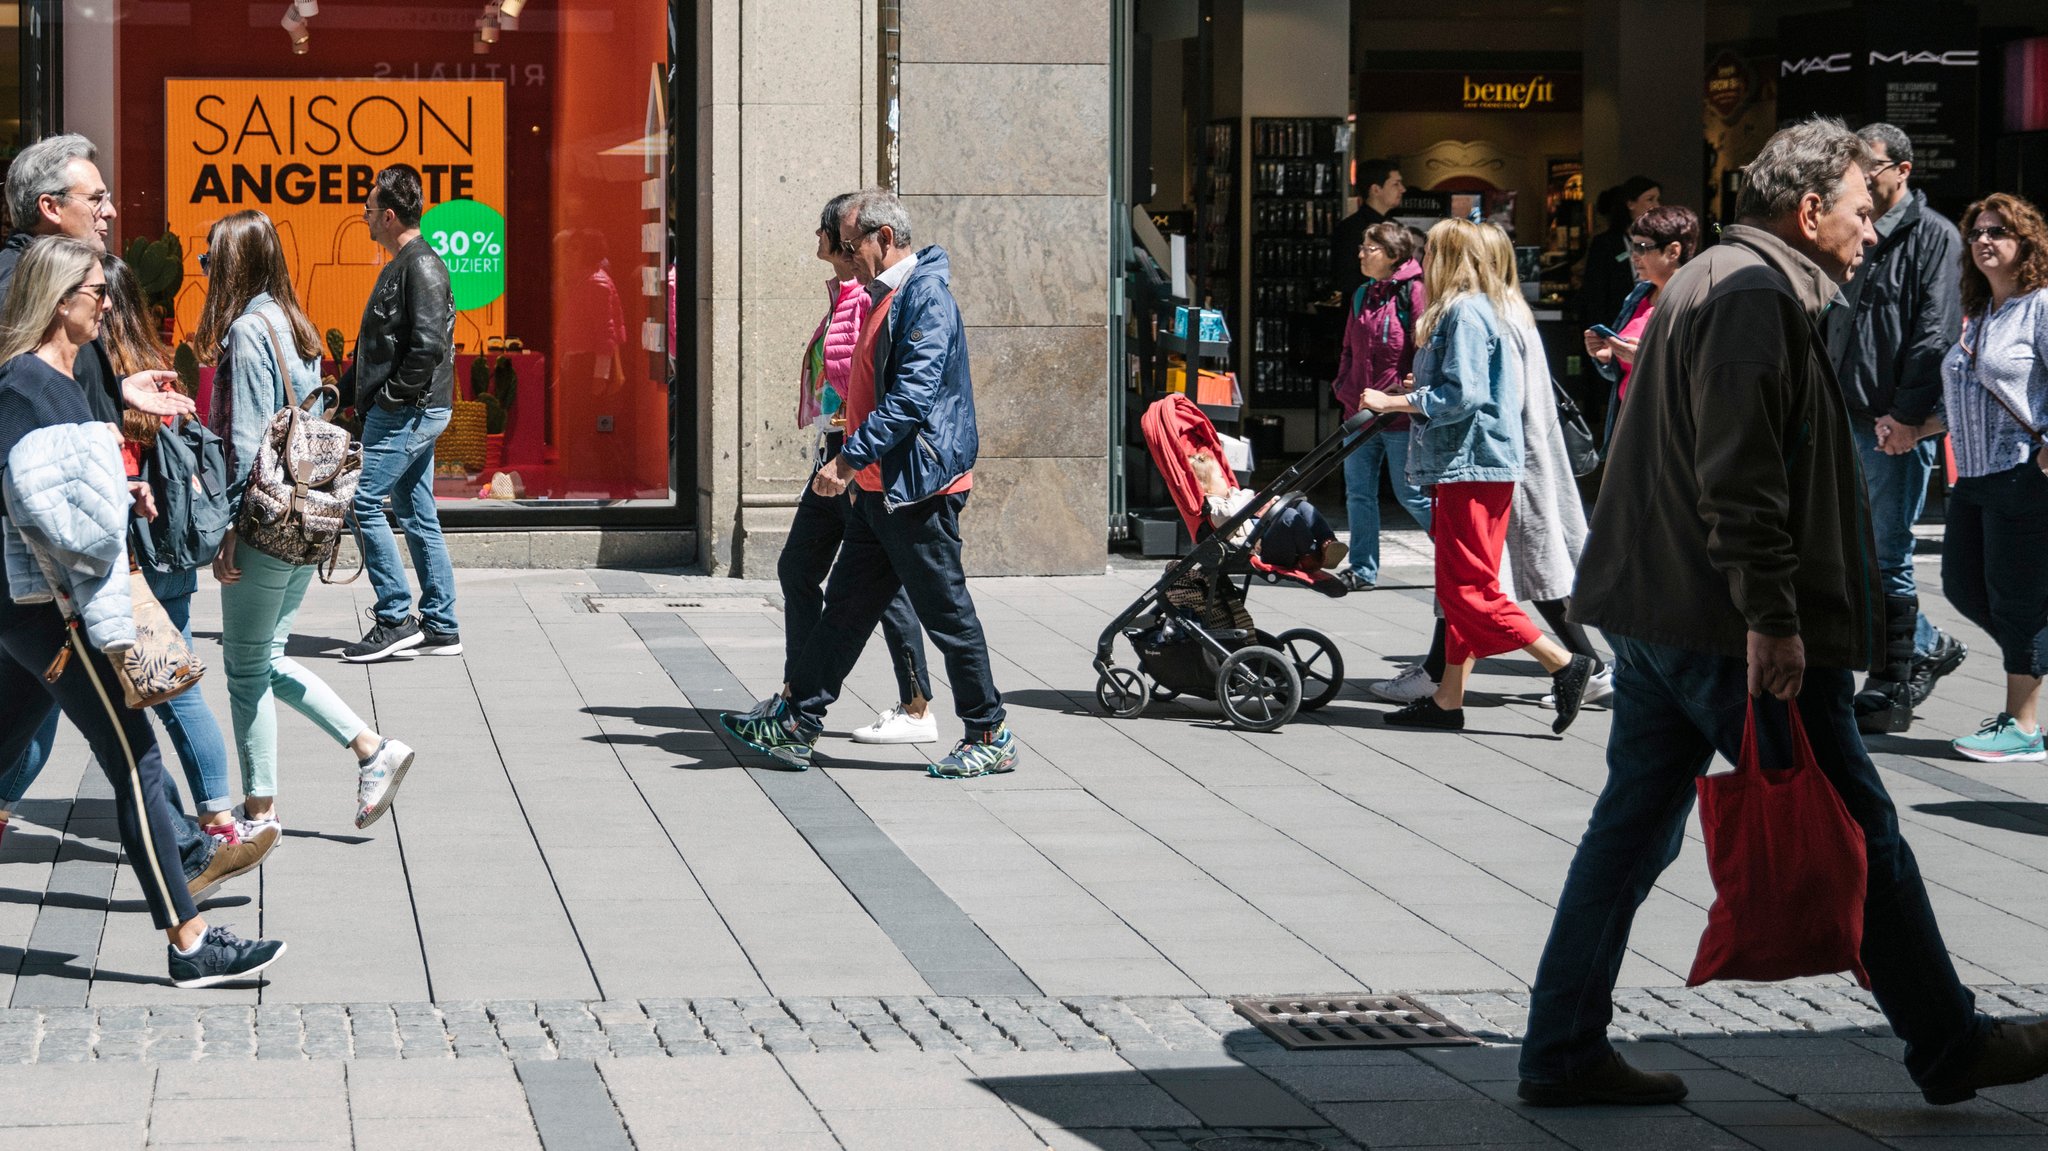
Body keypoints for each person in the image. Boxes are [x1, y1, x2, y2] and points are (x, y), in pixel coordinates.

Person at [1519, 117, 2048, 1109]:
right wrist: (1771, 615)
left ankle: (1558, 1046)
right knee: (1855, 818)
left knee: (1630, 827)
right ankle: (1946, 1041)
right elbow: (1738, 474)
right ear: (1806, 211)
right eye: (1857, 210)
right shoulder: (1754, 293)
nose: (1871, 230)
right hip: (1719, 620)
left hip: (1663, 603)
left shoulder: (1722, 277)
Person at [0, 235, 284, 986]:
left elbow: (63, 481)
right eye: (97, 292)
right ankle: (190, 943)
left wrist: (119, 489)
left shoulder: (65, 375)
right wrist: (104, 510)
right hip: (51, 607)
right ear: (61, 301)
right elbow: (31, 500)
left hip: (52, 598)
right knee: (135, 756)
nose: (108, 303)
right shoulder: (22, 385)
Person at [0, 133, 251, 891]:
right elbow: (26, 415)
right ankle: (186, 882)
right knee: (124, 727)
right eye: (95, 197)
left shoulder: (60, 278)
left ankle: (186, 857)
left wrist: (122, 406)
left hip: (45, 560)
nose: (111, 210)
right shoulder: (19, 285)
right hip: (38, 561)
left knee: (29, 712)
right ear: (51, 208)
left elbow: (63, 401)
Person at [718, 189, 1020, 778]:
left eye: (853, 246)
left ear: (885, 238)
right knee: (845, 614)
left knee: (948, 616)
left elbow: (912, 398)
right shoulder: (888, 294)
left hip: (917, 489)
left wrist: (849, 460)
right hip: (881, 491)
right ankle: (797, 724)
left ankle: (989, 730)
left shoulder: (925, 297)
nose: (847, 257)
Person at [199, 211, 417, 833]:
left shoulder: (246, 331)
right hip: (308, 513)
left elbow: (246, 439)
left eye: (211, 260)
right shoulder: (295, 326)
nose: (205, 271)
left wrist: (230, 530)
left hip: (266, 517)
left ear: (235, 262)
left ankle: (260, 810)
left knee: (245, 668)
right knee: (264, 659)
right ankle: (372, 751)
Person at [1353, 218, 1596, 734]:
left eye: (1434, 252)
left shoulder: (1464, 312)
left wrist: (1395, 401)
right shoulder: (1492, 310)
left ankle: (1563, 662)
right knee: (1465, 584)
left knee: (1467, 590)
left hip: (1469, 464)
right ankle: (1447, 700)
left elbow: (1463, 396)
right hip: (1479, 462)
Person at [753, 192, 940, 745]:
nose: (816, 241)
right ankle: (797, 694)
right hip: (836, 455)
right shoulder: (846, 294)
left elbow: (874, 386)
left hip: (856, 459)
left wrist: (855, 459)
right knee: (800, 569)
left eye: (823, 232)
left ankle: (916, 706)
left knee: (882, 586)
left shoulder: (866, 296)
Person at [1827, 123, 1969, 734]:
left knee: (1886, 556)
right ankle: (1925, 644)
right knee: (1844, 552)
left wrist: (1909, 418)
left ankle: (1889, 682)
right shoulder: (1853, 229)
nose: (1861, 178)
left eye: (1871, 167)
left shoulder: (1934, 237)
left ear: (1903, 171)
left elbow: (1936, 332)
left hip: (1891, 425)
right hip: (1841, 412)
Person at [1919, 193, 2048, 763]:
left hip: (2021, 473)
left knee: (2015, 600)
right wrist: (1914, 428)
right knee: (1963, 588)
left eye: (1999, 232)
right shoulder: (1980, 316)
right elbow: (1966, 394)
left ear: (2027, 244)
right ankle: (2033, 658)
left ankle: (2022, 726)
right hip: (1970, 474)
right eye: (1976, 232)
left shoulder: (2040, 307)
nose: (1984, 241)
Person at [1475, 223, 1608, 710]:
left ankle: (1580, 663)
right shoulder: (1511, 309)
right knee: (1505, 569)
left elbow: (1489, 395)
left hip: (1510, 458)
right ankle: (1438, 677)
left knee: (1512, 568)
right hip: (1524, 453)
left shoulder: (1493, 315)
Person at [337, 164, 461, 663]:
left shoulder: (421, 266)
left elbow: (427, 347)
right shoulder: (405, 263)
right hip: (410, 409)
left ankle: (394, 616)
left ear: (389, 216)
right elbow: (384, 345)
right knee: (415, 511)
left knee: (362, 501)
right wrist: (345, 389)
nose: (364, 218)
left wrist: (390, 400)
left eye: (368, 210)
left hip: (410, 411)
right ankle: (442, 625)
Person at [1331, 221, 1430, 591]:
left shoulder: (1414, 293)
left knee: (1410, 495)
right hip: (1358, 409)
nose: (1360, 253)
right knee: (1357, 493)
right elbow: (1348, 349)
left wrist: (1412, 388)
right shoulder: (1361, 294)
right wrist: (1343, 388)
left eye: (1368, 248)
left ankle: (1458, 556)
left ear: (1391, 254)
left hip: (1399, 412)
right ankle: (1362, 569)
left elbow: (1426, 347)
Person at [1583, 204, 1699, 421]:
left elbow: (1699, 374)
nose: (1634, 256)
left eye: (1642, 247)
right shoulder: (1638, 295)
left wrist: (1646, 359)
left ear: (1673, 251)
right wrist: (1607, 357)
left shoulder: (1696, 301)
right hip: (1628, 421)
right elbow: (1621, 373)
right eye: (1633, 247)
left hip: (1666, 428)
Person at [1578, 176, 1661, 337]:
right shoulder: (1606, 243)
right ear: (1630, 204)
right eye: (1650, 199)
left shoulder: (1660, 240)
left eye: (1658, 199)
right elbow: (1595, 293)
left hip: (1652, 318)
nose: (1657, 206)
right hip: (1617, 322)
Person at [1330, 159, 1407, 305]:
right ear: (1376, 189)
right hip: (1361, 312)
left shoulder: (1396, 227)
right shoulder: (1350, 229)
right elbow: (1344, 279)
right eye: (1395, 184)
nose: (1402, 189)